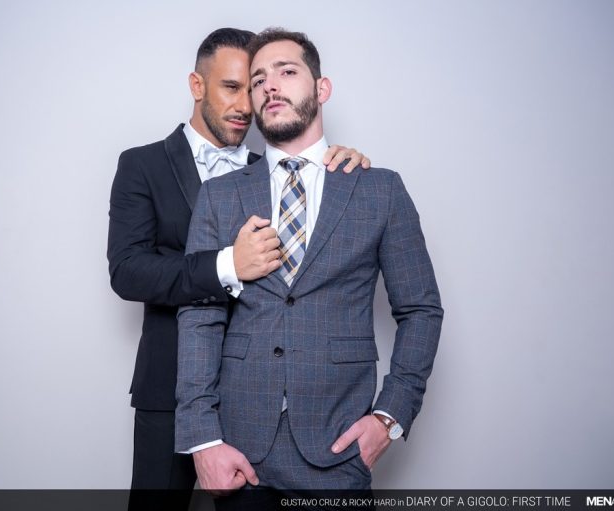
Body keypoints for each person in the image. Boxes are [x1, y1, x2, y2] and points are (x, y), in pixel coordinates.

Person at [175, 27, 443, 502]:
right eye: (258, 80)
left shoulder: (379, 189)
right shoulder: (220, 195)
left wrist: (389, 417)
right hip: (239, 449)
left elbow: (420, 309)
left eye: (286, 72)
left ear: (322, 89)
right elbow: (201, 316)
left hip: (339, 447)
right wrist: (203, 440)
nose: (270, 86)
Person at [107, 27, 370, 502]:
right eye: (231, 87)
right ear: (197, 85)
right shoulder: (141, 165)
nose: (246, 106)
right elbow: (127, 271)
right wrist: (228, 263)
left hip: (262, 398)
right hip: (171, 388)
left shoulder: (274, 168)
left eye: (251, 89)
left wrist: (341, 167)